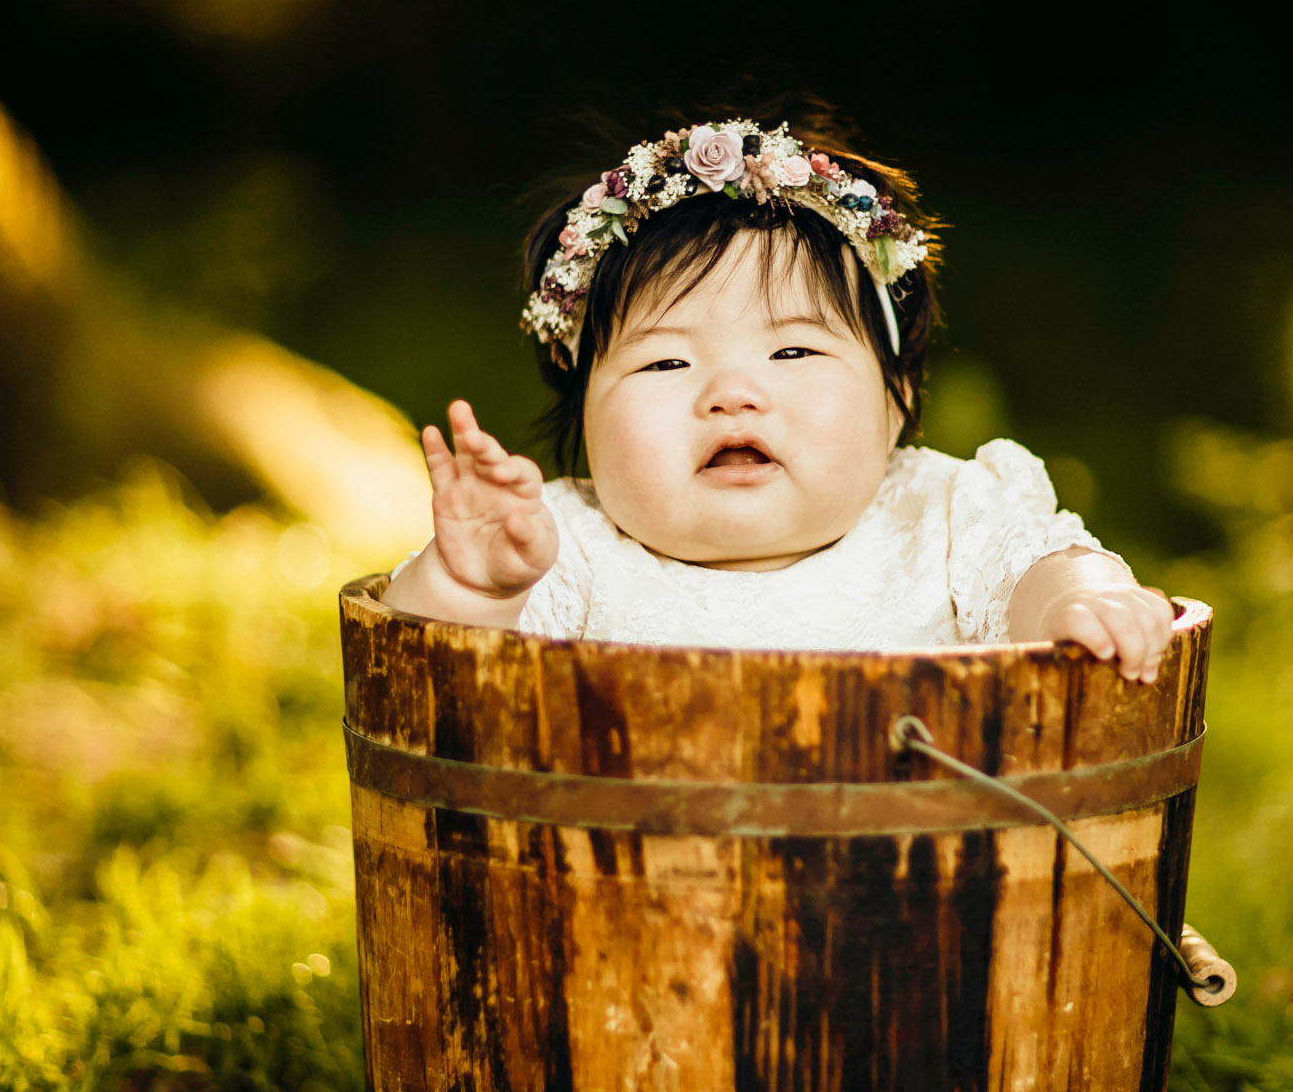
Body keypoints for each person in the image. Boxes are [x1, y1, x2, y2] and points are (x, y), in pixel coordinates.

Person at [384, 113, 1175, 675]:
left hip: (923, 887)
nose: (731, 394)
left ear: (895, 398)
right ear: (584, 409)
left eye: (792, 348)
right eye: (664, 364)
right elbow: (431, 689)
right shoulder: (562, 548)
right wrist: (469, 587)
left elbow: (1040, 567)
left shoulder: (941, 513)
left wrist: (1083, 602)